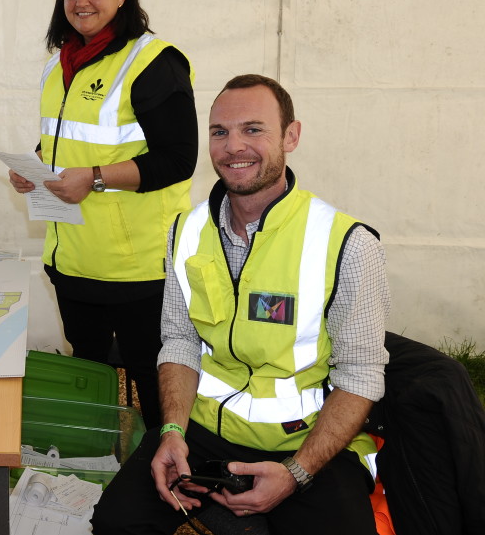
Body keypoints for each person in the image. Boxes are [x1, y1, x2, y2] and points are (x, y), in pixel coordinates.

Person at [91, 74, 391, 535]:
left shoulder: (347, 244)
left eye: (253, 129)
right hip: (202, 434)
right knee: (115, 522)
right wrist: (171, 432)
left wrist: (296, 475)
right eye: (219, 132)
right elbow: (179, 340)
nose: (234, 146)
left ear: (291, 136)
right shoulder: (184, 231)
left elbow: (360, 376)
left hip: (307, 442)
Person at [8, 0, 197, 428]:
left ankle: (166, 478)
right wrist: (34, 166)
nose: (81, 0)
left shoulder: (154, 61)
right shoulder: (61, 62)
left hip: (137, 268)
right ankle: (96, 469)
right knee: (89, 373)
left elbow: (178, 159)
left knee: (155, 386)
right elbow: (65, 138)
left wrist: (93, 178)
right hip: (72, 258)